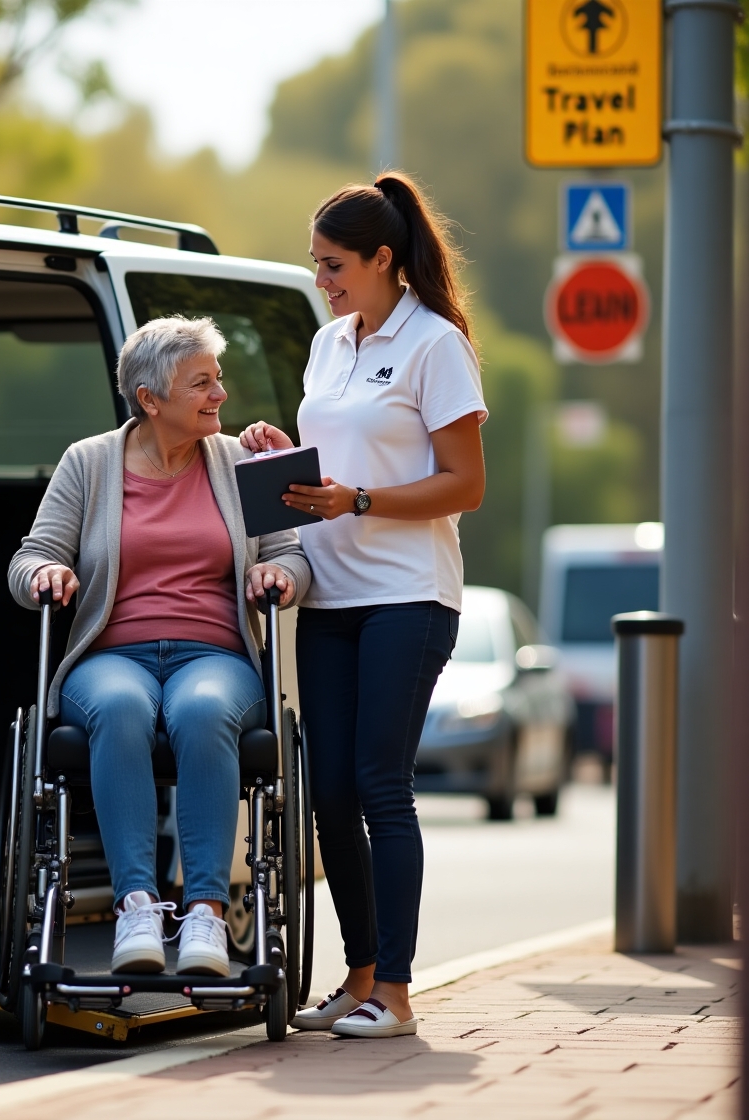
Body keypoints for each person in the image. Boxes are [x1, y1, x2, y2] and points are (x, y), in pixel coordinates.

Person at [240, 175, 487, 1038]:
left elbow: (468, 483)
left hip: (408, 595)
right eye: (315, 265)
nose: (323, 281)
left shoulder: (435, 344)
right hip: (331, 591)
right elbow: (339, 453)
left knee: (382, 785)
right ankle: (360, 976)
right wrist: (287, 452)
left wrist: (361, 502)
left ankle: (401, 995)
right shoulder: (329, 342)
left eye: (335, 265)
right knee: (331, 796)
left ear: (385, 260)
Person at [8, 315, 310, 978]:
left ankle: (203, 914)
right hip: (113, 656)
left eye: (218, 379)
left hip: (215, 657)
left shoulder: (241, 461)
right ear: (150, 399)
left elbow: (295, 554)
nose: (220, 395)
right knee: (120, 709)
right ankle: (137, 908)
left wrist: (279, 574)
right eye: (202, 383)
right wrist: (43, 575)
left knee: (202, 713)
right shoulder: (88, 463)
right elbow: (31, 556)